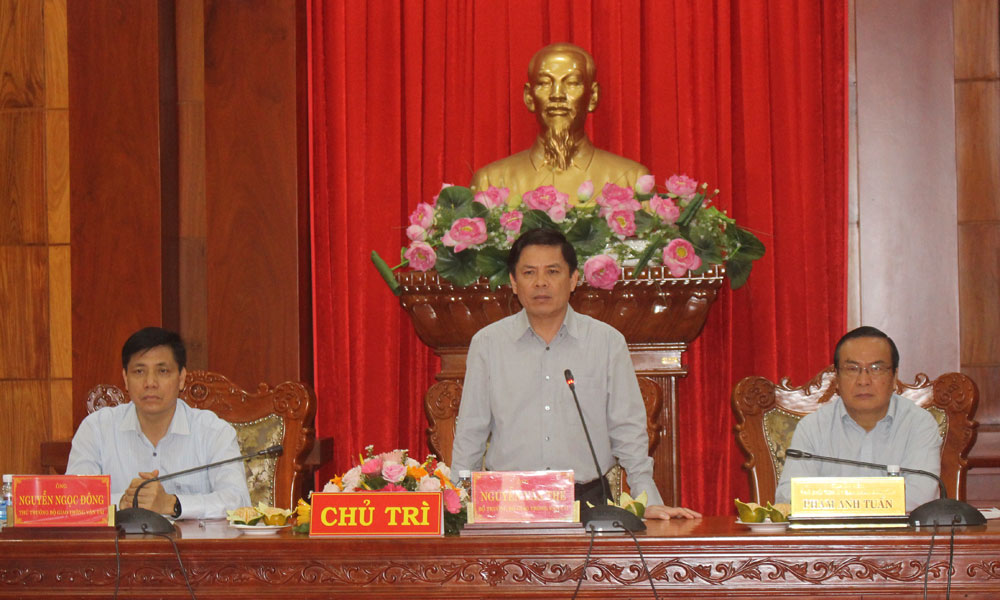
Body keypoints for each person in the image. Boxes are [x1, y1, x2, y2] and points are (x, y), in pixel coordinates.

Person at [451, 228, 699, 519]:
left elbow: (628, 430)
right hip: (509, 502)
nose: (541, 282)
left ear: (573, 280)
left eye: (553, 271)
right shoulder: (488, 344)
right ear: (514, 283)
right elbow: (471, 432)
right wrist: (456, 504)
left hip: (587, 502)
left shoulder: (606, 342)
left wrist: (648, 501)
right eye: (529, 272)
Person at [67, 327, 251, 519]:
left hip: (192, 547)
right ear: (125, 379)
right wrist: (124, 502)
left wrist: (173, 504)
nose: (150, 382)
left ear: (181, 378)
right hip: (118, 548)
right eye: (139, 371)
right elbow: (72, 500)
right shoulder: (96, 429)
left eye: (162, 371)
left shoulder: (213, 431)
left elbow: (237, 501)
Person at [775, 326, 942, 512]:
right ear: (836, 379)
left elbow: (921, 498)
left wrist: (836, 501)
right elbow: (788, 496)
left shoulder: (919, 425)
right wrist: (871, 500)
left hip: (900, 539)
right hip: (831, 539)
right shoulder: (812, 428)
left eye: (876, 368)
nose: (864, 380)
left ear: (894, 377)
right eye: (852, 369)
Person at [470, 42, 649, 197]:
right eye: (544, 83)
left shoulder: (631, 180)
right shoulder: (490, 182)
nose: (557, 95)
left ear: (593, 97)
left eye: (572, 83)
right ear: (529, 97)